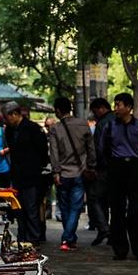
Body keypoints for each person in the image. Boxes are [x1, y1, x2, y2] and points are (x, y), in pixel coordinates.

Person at [102, 92, 138, 260]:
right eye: (115, 104)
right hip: (117, 166)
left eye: (119, 104)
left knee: (136, 209)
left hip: (135, 166)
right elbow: (105, 148)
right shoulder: (110, 126)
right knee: (117, 209)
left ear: (129, 107)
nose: (116, 108)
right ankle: (120, 249)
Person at [48, 97, 96, 251]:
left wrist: (55, 171)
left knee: (65, 207)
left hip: (63, 173)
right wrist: (91, 165)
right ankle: (70, 239)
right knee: (76, 207)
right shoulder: (83, 124)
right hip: (80, 172)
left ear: (58, 111)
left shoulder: (55, 128)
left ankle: (67, 237)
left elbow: (53, 152)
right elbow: (91, 149)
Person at [2, 101, 49, 244]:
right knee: (19, 209)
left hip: (31, 175)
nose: (6, 120)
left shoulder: (32, 128)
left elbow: (42, 151)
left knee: (31, 208)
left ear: (15, 114)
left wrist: (37, 167)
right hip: (17, 175)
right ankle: (23, 238)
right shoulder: (9, 130)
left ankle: (33, 239)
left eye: (7, 117)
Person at [88, 97, 114, 246]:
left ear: (101, 108)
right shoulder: (116, 120)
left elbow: (98, 148)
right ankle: (109, 231)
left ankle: (104, 228)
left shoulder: (103, 123)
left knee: (96, 198)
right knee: (112, 202)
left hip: (104, 168)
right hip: (116, 167)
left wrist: (94, 166)